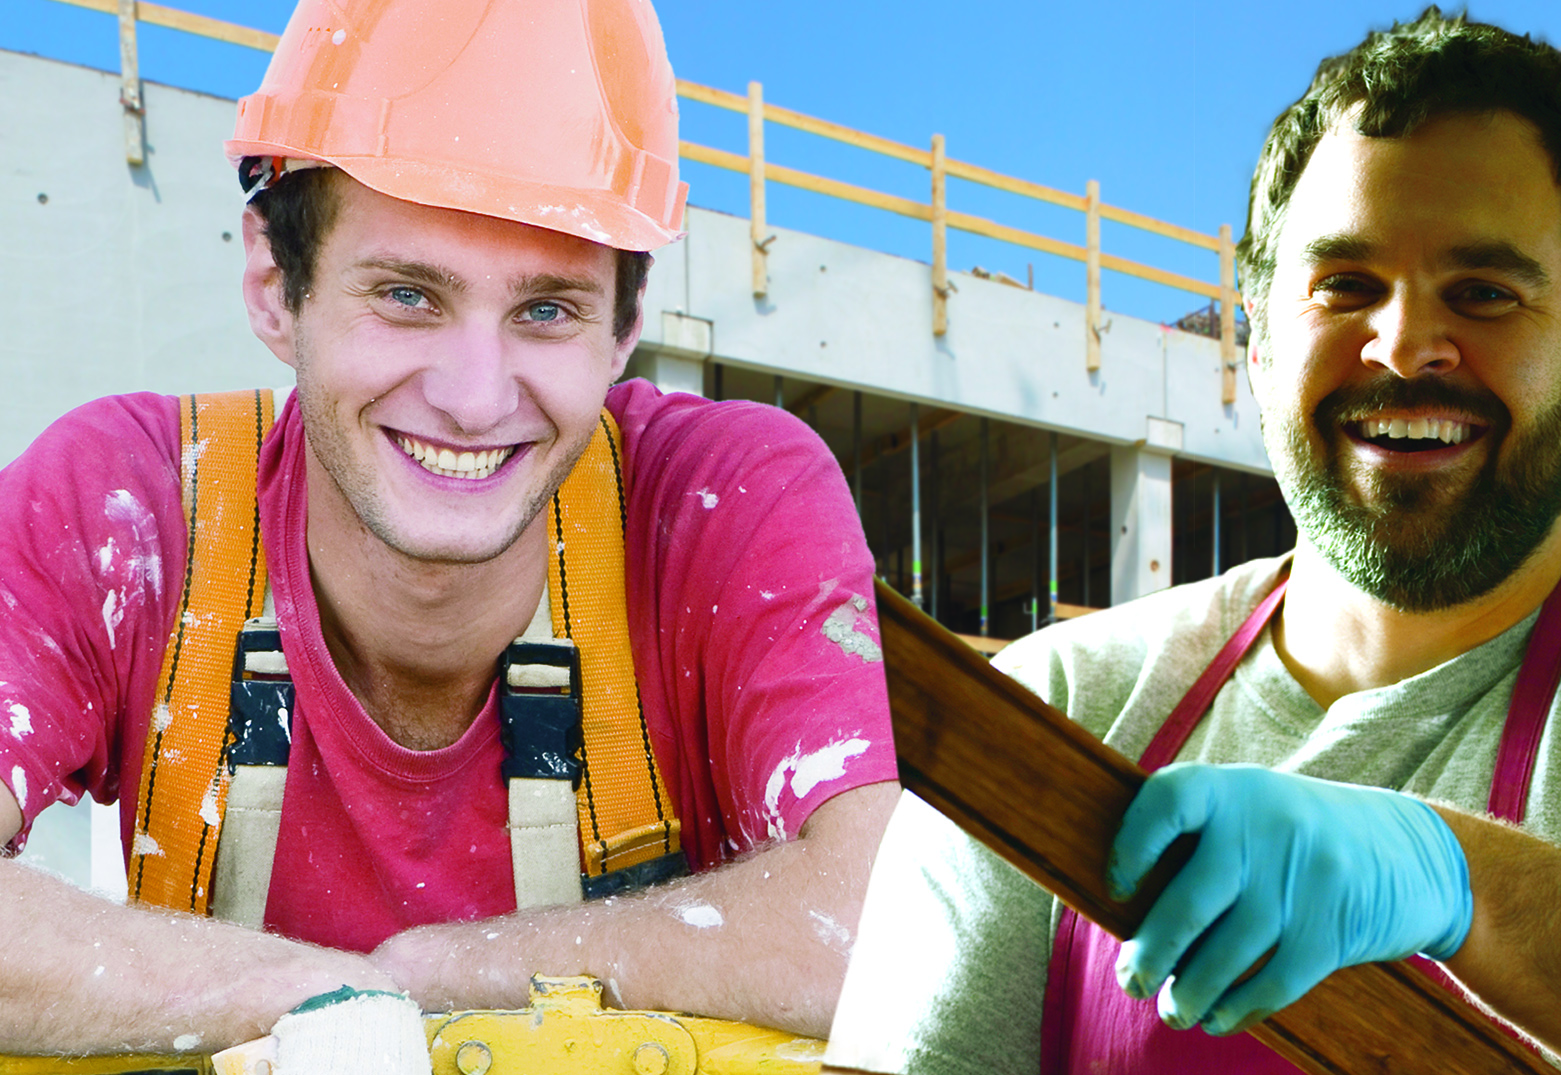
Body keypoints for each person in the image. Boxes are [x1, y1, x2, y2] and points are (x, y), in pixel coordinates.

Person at [821, 10, 1561, 1075]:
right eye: (1344, 286)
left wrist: (1460, 887)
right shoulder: (1052, 713)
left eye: (1481, 292)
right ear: (1255, 345)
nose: (1402, 346)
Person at [0, 0, 898, 1058]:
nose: (475, 399)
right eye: (408, 295)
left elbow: (877, 926)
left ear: (625, 327)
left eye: (547, 310)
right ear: (273, 285)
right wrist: (326, 1000)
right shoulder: (132, 505)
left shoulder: (720, 504)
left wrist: (430, 974)